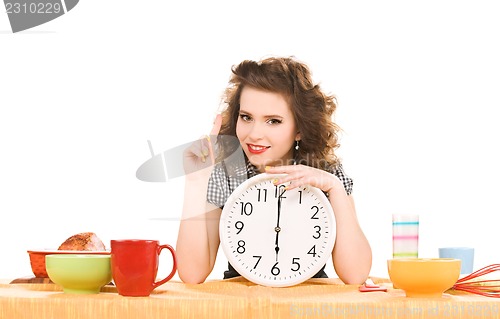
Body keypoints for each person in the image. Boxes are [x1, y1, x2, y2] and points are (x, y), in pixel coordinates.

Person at [176, 56, 372, 285]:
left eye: (273, 121)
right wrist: (196, 180)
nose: (255, 133)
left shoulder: (325, 170)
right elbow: (192, 274)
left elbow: (356, 274)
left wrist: (334, 188)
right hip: (243, 303)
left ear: (299, 128)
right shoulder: (228, 172)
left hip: (309, 301)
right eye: (246, 117)